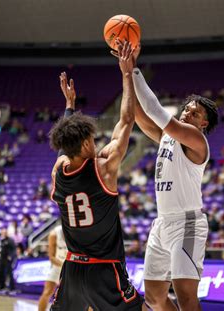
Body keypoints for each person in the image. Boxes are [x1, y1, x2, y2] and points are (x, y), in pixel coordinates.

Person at [117, 39, 218, 311]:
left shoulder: (196, 139)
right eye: (187, 108)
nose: (188, 112)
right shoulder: (167, 136)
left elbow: (155, 111)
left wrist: (134, 70)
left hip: (187, 224)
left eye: (194, 112)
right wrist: (125, 74)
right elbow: (138, 114)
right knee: (154, 299)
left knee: (186, 299)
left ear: (203, 123)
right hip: (162, 224)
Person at [49, 42, 145, 310]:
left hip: (73, 268)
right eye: (91, 138)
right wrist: (127, 74)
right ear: (83, 145)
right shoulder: (103, 167)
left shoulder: (59, 171)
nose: (94, 141)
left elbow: (63, 146)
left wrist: (69, 107)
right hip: (104, 270)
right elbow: (126, 121)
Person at [38, 225, 68, 311]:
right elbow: (51, 257)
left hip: (71, 265)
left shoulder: (75, 232)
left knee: (82, 295)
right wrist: (64, 266)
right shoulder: (54, 234)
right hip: (58, 265)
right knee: (48, 292)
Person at [0, 228, 16, 292]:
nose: (3, 234)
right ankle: (1, 286)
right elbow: (1, 249)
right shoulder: (2, 240)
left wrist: (11, 256)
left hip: (8, 259)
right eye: (2, 232)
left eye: (5, 232)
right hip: (2, 258)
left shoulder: (10, 240)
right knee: (1, 272)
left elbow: (14, 249)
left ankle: (12, 288)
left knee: (9, 273)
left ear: (7, 233)